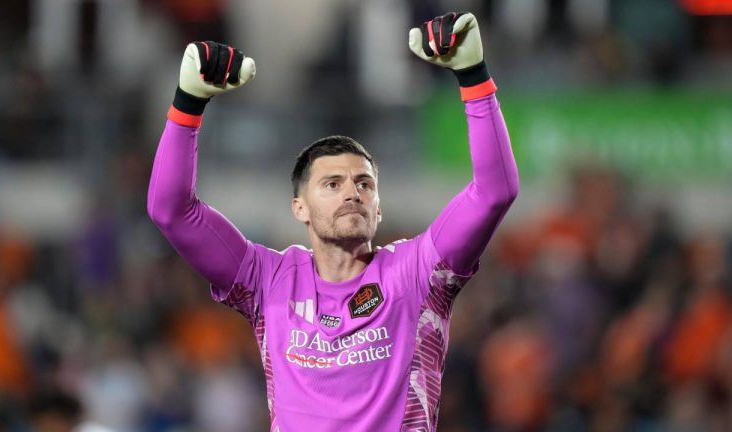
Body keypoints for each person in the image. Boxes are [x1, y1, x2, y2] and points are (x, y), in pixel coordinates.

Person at [148, 11, 519, 431]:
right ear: (299, 208)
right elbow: (171, 210)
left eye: (364, 184)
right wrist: (187, 104)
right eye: (331, 184)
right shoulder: (266, 280)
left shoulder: (417, 274)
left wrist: (473, 76)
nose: (351, 192)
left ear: (378, 207)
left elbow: (494, 193)